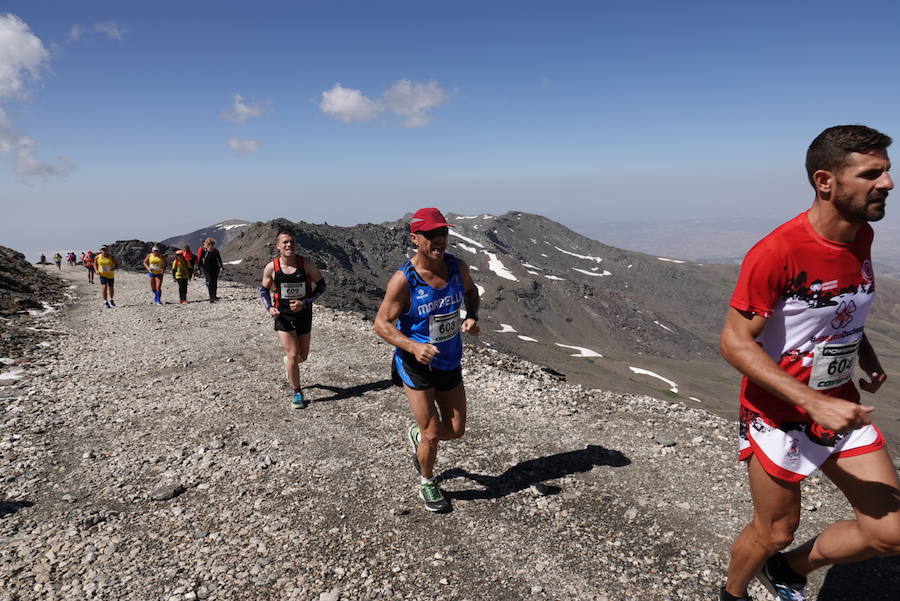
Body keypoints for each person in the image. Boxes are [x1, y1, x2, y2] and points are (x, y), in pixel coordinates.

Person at [717, 125, 900, 601]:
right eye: (871, 173)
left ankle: (789, 569)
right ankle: (733, 594)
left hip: (841, 407)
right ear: (825, 182)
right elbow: (735, 343)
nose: (888, 183)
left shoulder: (862, 236)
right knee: (774, 529)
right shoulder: (777, 252)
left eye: (887, 171)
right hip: (777, 415)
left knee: (890, 534)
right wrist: (810, 403)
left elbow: (840, 305)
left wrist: (865, 354)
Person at [373, 208, 481, 513]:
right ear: (414, 238)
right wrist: (412, 346)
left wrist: (472, 316)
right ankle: (427, 481)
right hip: (415, 364)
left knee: (456, 429)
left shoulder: (457, 268)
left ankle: (419, 436)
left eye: (443, 233)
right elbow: (381, 323)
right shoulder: (404, 280)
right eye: (431, 234)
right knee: (434, 431)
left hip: (449, 361)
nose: (439, 239)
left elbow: (472, 294)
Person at [259, 229, 326, 409]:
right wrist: (270, 307)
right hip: (283, 315)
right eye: (285, 242)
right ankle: (297, 392)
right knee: (293, 354)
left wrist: (304, 302)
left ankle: (290, 363)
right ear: (278, 246)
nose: (289, 245)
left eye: (292, 242)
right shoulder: (272, 267)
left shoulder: (306, 265)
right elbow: (263, 290)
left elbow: (321, 286)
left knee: (302, 356)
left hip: (304, 314)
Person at [198, 238, 224, 302]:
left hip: (215, 269)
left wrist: (221, 267)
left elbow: (219, 259)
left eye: (212, 244)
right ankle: (211, 297)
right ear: (206, 244)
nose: (211, 245)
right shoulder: (204, 252)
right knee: (210, 282)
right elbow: (200, 260)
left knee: (215, 282)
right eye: (209, 244)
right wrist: (199, 268)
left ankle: (214, 295)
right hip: (207, 269)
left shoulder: (216, 251)